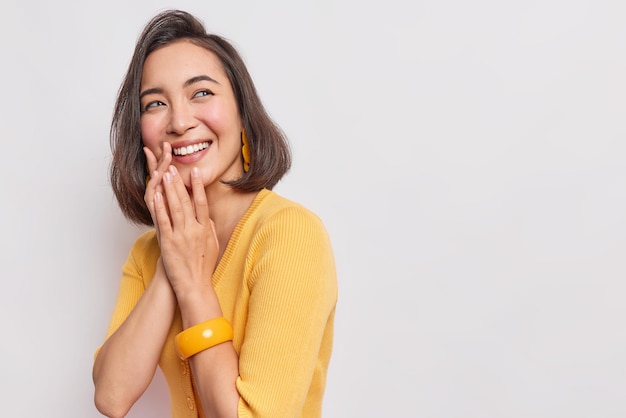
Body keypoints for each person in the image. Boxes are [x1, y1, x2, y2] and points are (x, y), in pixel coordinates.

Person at [92, 9, 337, 418]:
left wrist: (193, 284)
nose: (180, 122)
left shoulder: (290, 234)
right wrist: (173, 262)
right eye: (155, 103)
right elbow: (111, 397)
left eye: (201, 93)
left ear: (243, 112)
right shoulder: (148, 252)